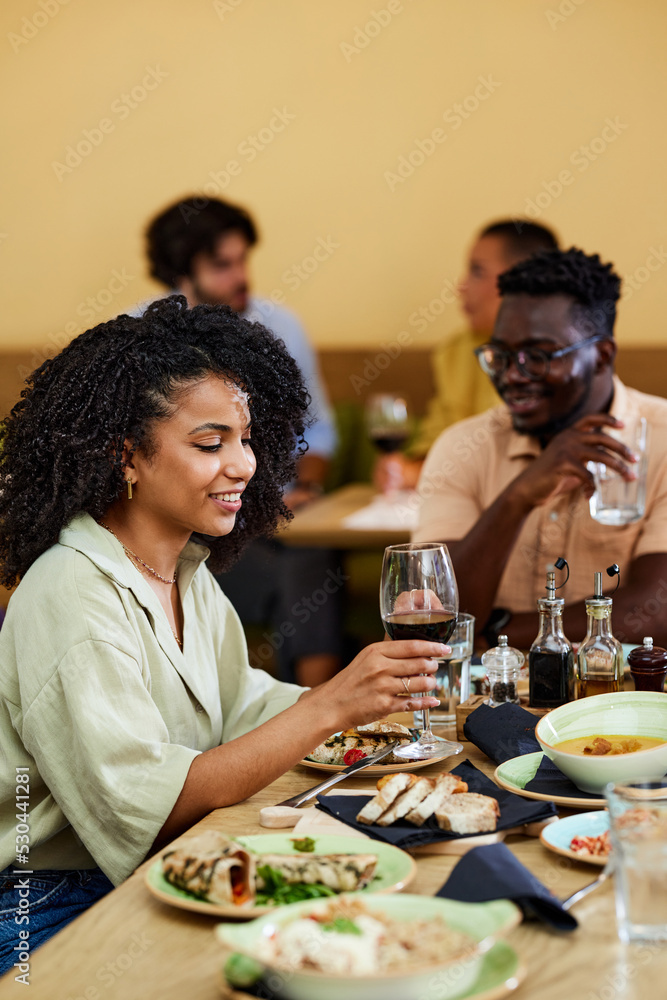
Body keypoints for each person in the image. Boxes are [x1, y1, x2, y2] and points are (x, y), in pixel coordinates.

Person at [0, 298, 444, 972]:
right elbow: (156, 806)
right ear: (128, 457)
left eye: (246, 439)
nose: (243, 465)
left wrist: (369, 686)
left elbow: (244, 707)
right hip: (45, 907)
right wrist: (332, 706)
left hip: (154, 863)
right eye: (210, 444)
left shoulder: (181, 569)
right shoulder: (72, 594)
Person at [413, 248, 667, 649]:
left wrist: (494, 631)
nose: (513, 375)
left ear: (602, 355)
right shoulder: (463, 446)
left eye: (538, 356)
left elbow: (655, 612)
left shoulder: (663, 438)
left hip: (621, 696)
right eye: (501, 355)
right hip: (492, 699)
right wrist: (518, 496)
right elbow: (436, 612)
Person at [143, 196, 341, 686]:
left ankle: (317, 712)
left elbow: (319, 432)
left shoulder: (280, 327)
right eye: (222, 265)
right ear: (180, 272)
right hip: (196, 522)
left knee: (310, 547)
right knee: (299, 569)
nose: (240, 277)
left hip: (283, 516)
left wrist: (305, 490)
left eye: (243, 260)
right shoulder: (140, 340)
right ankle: (318, 708)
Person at [375, 219, 559, 492]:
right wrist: (405, 471)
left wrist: (432, 472)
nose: (460, 287)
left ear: (524, 279)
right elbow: (436, 439)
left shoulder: (562, 354)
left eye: (477, 272)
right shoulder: (456, 351)